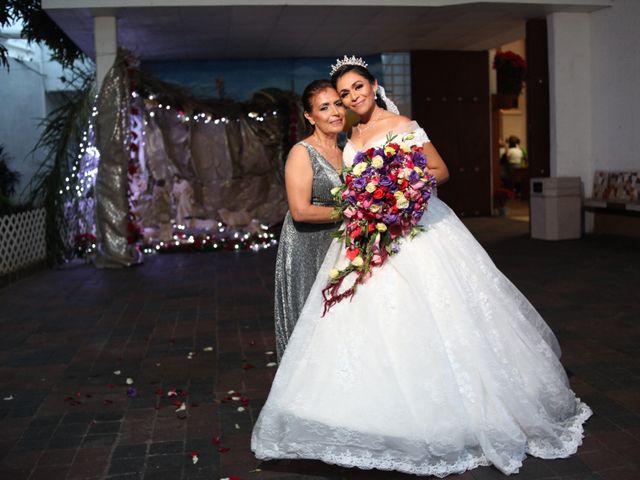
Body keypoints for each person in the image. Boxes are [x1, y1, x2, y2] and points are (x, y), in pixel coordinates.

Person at [251, 57, 591, 477]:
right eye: (344, 95)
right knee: (362, 319)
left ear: (374, 86)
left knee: (437, 312)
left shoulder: (403, 123)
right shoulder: (349, 137)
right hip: (366, 236)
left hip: (412, 230)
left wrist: (399, 193)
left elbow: (439, 170)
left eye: (358, 88)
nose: (352, 98)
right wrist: (371, 204)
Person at [273, 79, 345, 360]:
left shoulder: (348, 152)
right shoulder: (302, 152)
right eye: (324, 107)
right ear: (309, 116)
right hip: (307, 246)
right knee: (311, 318)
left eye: (338, 104)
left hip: (340, 246)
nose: (335, 112)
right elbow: (300, 210)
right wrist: (350, 212)